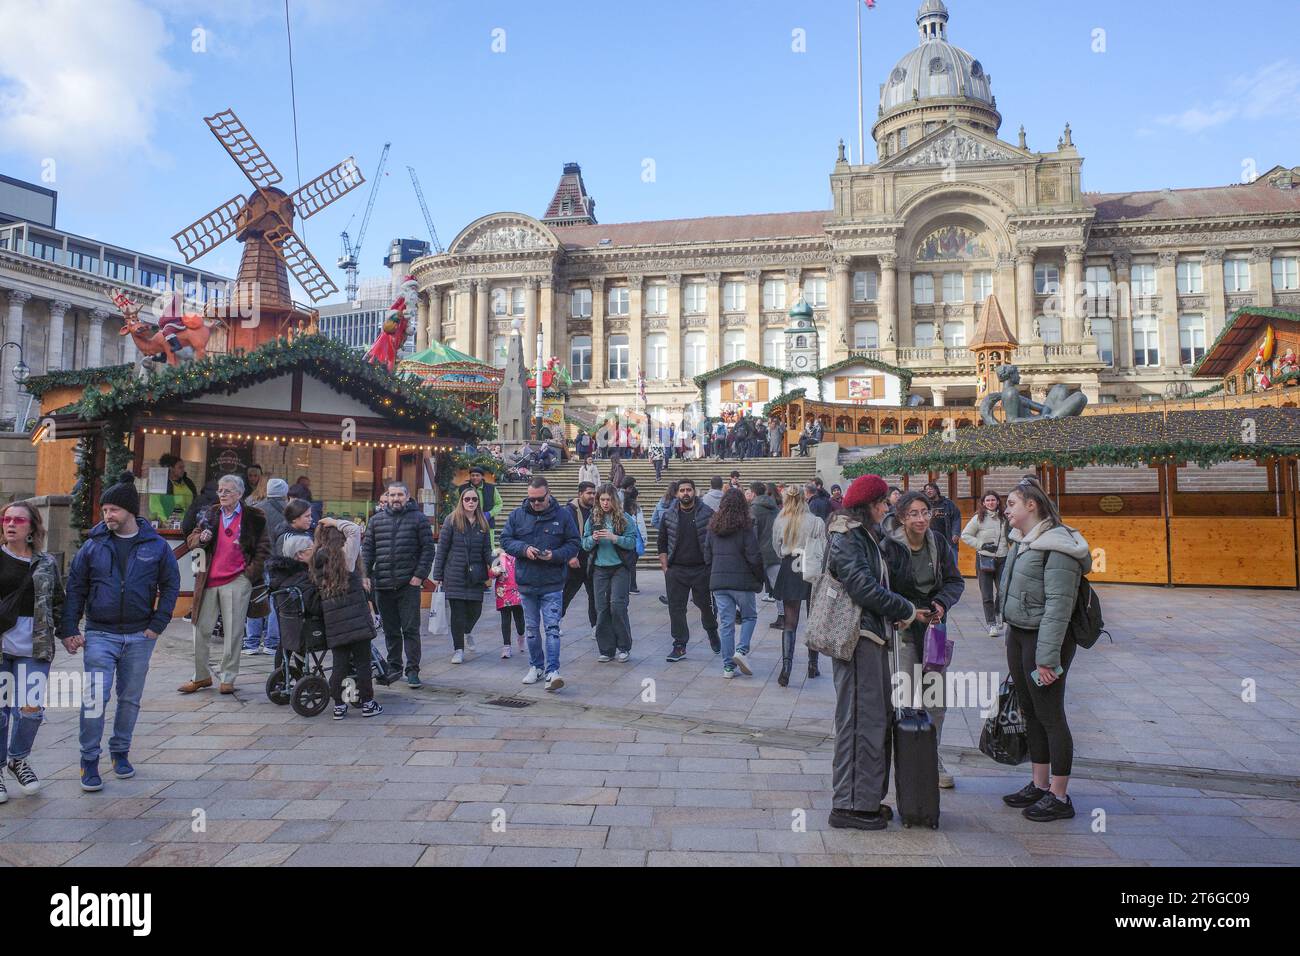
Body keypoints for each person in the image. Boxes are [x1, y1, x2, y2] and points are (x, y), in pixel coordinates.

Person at [62, 473, 180, 791]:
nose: (107, 515)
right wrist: (69, 629)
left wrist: (159, 623)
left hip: (140, 636)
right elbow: (76, 587)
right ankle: (89, 760)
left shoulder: (156, 547)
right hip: (100, 633)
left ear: (129, 511)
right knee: (95, 699)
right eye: (104, 510)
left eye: (113, 509)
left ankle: (120, 752)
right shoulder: (93, 546)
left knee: (129, 699)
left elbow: (171, 584)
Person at [826, 474, 924, 831]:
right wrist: (905, 610)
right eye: (883, 503)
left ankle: (866, 798)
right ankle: (848, 805)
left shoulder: (867, 534)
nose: (886, 508)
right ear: (867, 505)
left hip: (872, 635)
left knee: (874, 719)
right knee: (858, 721)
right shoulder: (846, 535)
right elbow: (862, 587)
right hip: (857, 639)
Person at [997, 476, 1091, 823]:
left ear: (1031, 506)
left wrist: (1048, 657)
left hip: (1045, 639)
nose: (1006, 510)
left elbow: (1059, 607)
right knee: (1030, 711)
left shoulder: (1058, 546)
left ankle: (1060, 795)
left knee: (1050, 714)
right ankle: (1039, 784)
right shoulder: (1024, 542)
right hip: (1020, 634)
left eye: (1011, 504)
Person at [888, 490, 965, 789]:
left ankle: (933, 757)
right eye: (914, 514)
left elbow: (955, 581)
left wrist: (942, 603)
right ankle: (906, 757)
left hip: (934, 630)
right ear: (902, 517)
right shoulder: (890, 547)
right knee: (904, 697)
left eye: (925, 512)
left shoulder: (939, 543)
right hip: (904, 630)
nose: (921, 519)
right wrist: (905, 610)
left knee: (935, 700)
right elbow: (883, 588)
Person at [178, 474, 270, 695]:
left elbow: (264, 547)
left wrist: (249, 574)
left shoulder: (254, 516)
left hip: (238, 579)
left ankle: (228, 677)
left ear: (239, 493)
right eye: (220, 490)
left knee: (234, 631)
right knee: (200, 629)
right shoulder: (211, 513)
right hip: (208, 579)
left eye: (227, 491)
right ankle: (201, 676)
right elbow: (192, 539)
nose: (222, 494)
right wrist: (202, 539)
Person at [0, 502, 64, 800]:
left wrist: (69, 633)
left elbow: (58, 602)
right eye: (6, 519)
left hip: (35, 647)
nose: (10, 524)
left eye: (18, 520)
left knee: (30, 709)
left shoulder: (47, 563)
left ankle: (18, 758)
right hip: (2, 648)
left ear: (32, 527)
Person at [501, 477, 580, 691]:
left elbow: (574, 543)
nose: (535, 504)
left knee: (552, 628)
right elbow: (506, 540)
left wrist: (554, 555)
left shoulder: (563, 515)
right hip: (527, 582)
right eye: (532, 500)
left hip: (552, 582)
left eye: (539, 500)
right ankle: (536, 666)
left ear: (549, 494)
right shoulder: (518, 515)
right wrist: (524, 549)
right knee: (533, 629)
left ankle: (552, 670)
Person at [362, 481, 436, 688]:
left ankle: (413, 670)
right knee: (391, 630)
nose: (395, 499)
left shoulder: (419, 519)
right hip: (383, 584)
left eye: (399, 495)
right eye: (392, 495)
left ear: (407, 496)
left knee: (411, 629)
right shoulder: (376, 521)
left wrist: (419, 576)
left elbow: (428, 550)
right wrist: (365, 575)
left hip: (408, 585)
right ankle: (394, 667)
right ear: (387, 497)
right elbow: (367, 550)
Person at [312, 522, 383, 720]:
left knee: (339, 665)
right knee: (362, 663)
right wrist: (335, 522)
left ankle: (339, 706)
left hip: (335, 622)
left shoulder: (316, 560)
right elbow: (354, 529)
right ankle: (368, 703)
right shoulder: (346, 557)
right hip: (357, 621)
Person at [702, 489, 763, 679]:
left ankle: (728, 667)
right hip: (742, 582)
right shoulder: (746, 528)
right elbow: (754, 557)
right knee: (749, 617)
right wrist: (759, 578)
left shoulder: (713, 528)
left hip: (719, 583)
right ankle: (742, 651)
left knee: (726, 624)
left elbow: (707, 556)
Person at [772, 484, 828, 685]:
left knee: (790, 621)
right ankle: (813, 664)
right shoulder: (816, 521)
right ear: (805, 499)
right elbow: (823, 546)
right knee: (812, 618)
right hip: (811, 566)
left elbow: (776, 547)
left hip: (790, 566)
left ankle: (786, 668)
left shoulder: (781, 519)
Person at [658, 478, 719, 661]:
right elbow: (661, 543)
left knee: (705, 607)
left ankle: (712, 632)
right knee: (676, 609)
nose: (686, 493)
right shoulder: (668, 515)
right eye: (682, 490)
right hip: (676, 570)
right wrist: (665, 567)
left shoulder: (708, 513)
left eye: (689, 490)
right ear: (677, 493)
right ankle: (679, 645)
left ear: (695, 492)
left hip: (701, 569)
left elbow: (716, 540)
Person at [431, 484, 491, 665]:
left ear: (478, 502)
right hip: (454, 573)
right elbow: (442, 549)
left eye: (474, 499)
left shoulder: (482, 522)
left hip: (476, 575)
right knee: (457, 613)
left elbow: (486, 549)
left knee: (476, 610)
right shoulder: (452, 520)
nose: (471, 502)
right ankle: (458, 649)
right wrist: (438, 574)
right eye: (467, 499)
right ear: (461, 501)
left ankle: (467, 631)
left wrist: (495, 563)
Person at [583, 482, 637, 663]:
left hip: (619, 567)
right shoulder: (593, 519)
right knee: (602, 608)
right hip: (599, 568)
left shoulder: (625, 518)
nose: (605, 503)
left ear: (614, 500)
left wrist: (615, 538)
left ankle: (624, 646)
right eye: (602, 500)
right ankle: (606, 649)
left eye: (608, 500)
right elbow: (584, 544)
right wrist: (593, 539)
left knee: (617, 605)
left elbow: (631, 543)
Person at [244, 478, 290, 656]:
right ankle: (272, 642)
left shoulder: (256, 509)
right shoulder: (289, 510)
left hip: (258, 559)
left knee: (256, 598)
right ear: (284, 492)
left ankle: (252, 642)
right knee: (275, 601)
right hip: (279, 561)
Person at [962, 491, 1011, 637]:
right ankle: (991, 624)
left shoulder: (1005, 517)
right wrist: (981, 545)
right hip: (985, 559)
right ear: (983, 503)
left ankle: (998, 614)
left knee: (1003, 590)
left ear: (998, 501)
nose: (990, 503)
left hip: (1003, 558)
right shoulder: (978, 518)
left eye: (993, 500)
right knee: (987, 594)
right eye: (987, 500)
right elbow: (965, 535)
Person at [562, 482, 598, 637]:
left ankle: (596, 626)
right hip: (575, 561)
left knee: (595, 595)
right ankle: (556, 621)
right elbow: (564, 535)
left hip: (593, 560)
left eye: (593, 493)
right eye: (589, 493)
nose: (592, 496)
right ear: (580, 494)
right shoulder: (568, 511)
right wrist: (571, 556)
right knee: (566, 593)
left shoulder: (597, 510)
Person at [747, 481, 782, 621]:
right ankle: (783, 615)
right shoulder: (775, 507)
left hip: (758, 552)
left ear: (754, 493)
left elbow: (752, 533)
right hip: (774, 551)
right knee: (777, 585)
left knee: (748, 583)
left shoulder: (754, 509)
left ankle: (741, 612)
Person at [489, 549, 524, 658]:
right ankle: (506, 646)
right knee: (505, 620)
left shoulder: (521, 555)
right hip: (503, 593)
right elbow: (491, 573)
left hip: (518, 592)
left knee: (519, 619)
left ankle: (521, 635)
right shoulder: (498, 557)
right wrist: (495, 571)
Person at [923, 481, 962, 562]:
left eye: (930, 489)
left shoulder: (948, 503)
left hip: (948, 540)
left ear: (937, 490)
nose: (928, 491)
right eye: (926, 490)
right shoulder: (925, 505)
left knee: (952, 565)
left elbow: (956, 518)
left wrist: (956, 533)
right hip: (931, 540)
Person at [460, 466, 502, 534]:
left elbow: (499, 504)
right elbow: (457, 504)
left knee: (488, 544)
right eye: (472, 475)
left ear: (482, 477)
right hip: (467, 523)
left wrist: (490, 514)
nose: (475, 477)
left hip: (487, 523)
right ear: (470, 476)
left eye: (477, 475)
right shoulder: (462, 489)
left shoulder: (491, 488)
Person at [156, 453, 196, 522]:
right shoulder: (164, 484)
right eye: (180, 467)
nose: (183, 470)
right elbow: (158, 506)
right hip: (172, 521)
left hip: (190, 520)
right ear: (171, 468)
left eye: (183, 467)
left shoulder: (188, 482)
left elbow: (195, 500)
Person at [622, 487, 646, 594]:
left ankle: (625, 585)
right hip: (634, 539)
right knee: (632, 564)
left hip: (623, 538)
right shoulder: (636, 507)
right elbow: (640, 524)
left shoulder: (621, 505)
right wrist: (644, 539)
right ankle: (632, 586)